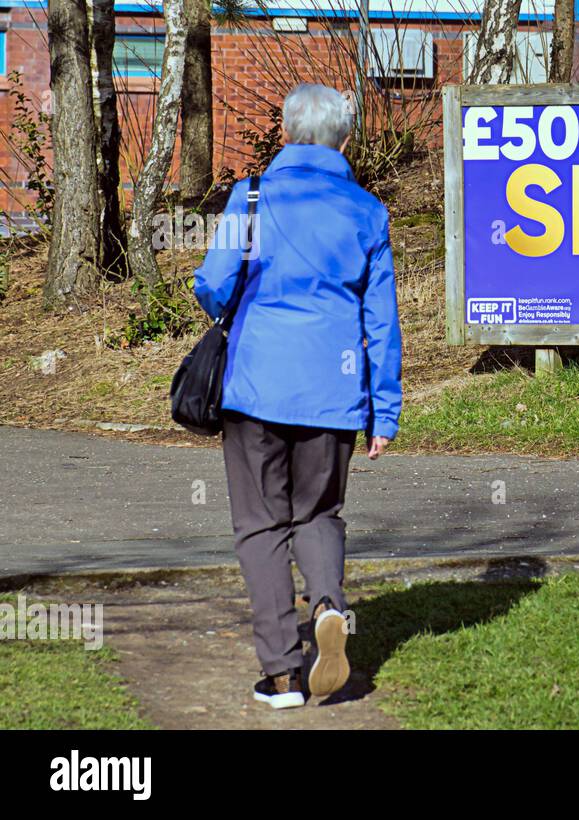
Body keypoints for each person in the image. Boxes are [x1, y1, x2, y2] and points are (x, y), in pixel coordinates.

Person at [193, 84, 402, 710]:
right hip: (333, 395)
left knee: (260, 527)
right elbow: (382, 323)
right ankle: (330, 605)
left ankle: (283, 676)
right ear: (344, 140)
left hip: (255, 389)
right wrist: (383, 409)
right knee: (318, 515)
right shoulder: (367, 212)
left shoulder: (250, 198)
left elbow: (212, 282)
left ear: (285, 134)